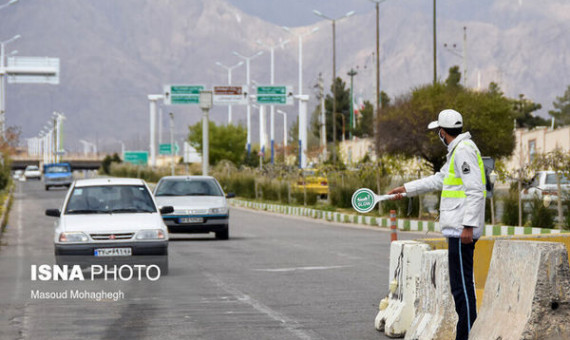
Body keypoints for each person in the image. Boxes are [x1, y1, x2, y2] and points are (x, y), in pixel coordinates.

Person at [388, 109, 486, 340]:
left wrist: (468, 227)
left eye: (438, 132)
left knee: (463, 290)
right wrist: (407, 188)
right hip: (457, 230)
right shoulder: (458, 151)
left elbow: (475, 190)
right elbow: (439, 179)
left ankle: (468, 336)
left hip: (462, 232)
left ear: (442, 132)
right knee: (459, 289)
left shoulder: (463, 151)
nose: (438, 135)